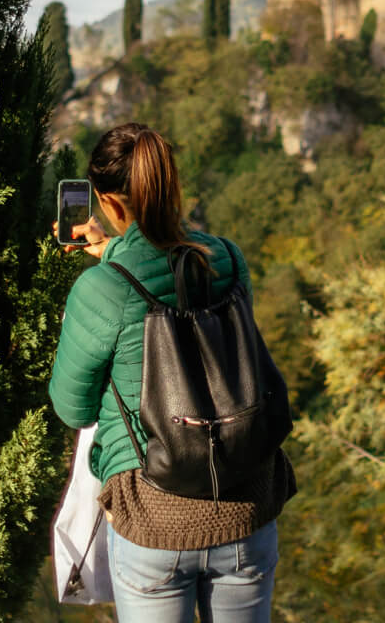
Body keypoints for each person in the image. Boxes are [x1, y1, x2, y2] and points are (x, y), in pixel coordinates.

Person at [48, 123, 296, 623]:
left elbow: (72, 406)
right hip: (245, 506)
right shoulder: (226, 258)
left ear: (108, 205)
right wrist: (115, 253)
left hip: (155, 517)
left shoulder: (102, 290)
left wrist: (109, 269)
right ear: (170, 184)